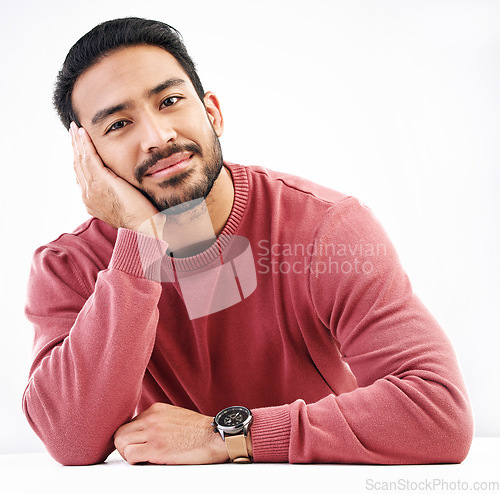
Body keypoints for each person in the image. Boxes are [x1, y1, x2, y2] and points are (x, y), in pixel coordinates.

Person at [23, 17, 473, 466]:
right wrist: (141, 242)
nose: (157, 138)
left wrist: (225, 435)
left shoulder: (324, 229)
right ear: (88, 158)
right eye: (118, 125)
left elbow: (438, 413)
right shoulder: (69, 266)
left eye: (171, 101)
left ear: (213, 113)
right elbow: (71, 438)